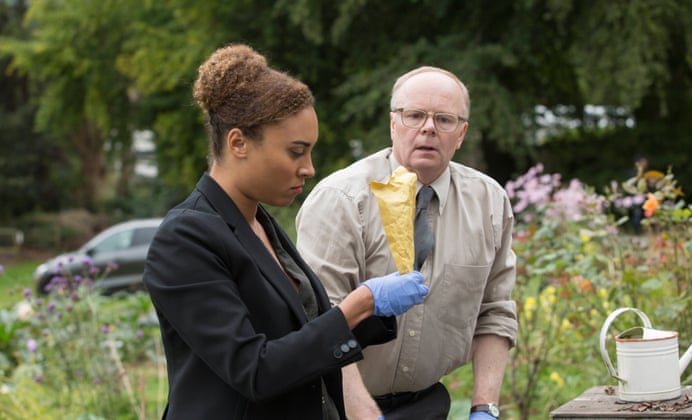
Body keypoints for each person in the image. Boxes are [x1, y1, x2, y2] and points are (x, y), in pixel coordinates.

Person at [143, 44, 429, 420]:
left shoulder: (260, 222)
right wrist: (359, 304)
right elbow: (255, 371)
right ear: (238, 143)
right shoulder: (184, 239)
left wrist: (374, 312)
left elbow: (302, 339)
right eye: (296, 152)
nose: (309, 168)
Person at [296, 66, 518, 420]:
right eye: (414, 115)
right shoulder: (342, 199)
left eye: (444, 119)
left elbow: (495, 310)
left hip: (426, 404)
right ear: (393, 124)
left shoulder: (488, 202)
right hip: (337, 406)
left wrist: (484, 407)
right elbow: (320, 320)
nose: (428, 128)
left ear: (461, 133)